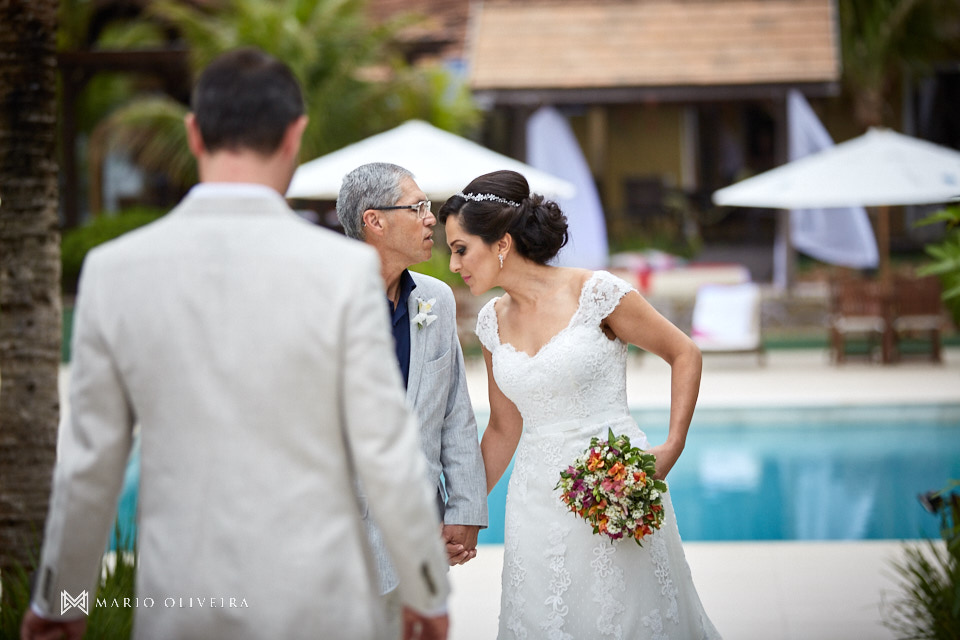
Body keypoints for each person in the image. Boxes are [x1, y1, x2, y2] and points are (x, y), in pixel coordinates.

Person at [21, 48, 450, 640]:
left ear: (194, 134)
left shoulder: (114, 271)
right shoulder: (342, 271)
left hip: (182, 600)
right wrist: (425, 588)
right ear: (294, 136)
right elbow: (385, 448)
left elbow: (90, 464)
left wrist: (59, 601)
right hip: (316, 601)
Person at [438, 170, 722, 639]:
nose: (453, 265)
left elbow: (684, 353)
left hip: (615, 490)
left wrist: (672, 447)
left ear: (502, 243)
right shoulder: (491, 322)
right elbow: (504, 428)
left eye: (460, 249)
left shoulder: (596, 293)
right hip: (534, 505)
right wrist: (464, 510)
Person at [336, 163, 487, 633]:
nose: (430, 218)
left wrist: (465, 509)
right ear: (374, 221)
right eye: (417, 207)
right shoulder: (325, 303)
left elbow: (455, 413)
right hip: (340, 538)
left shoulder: (437, 300)